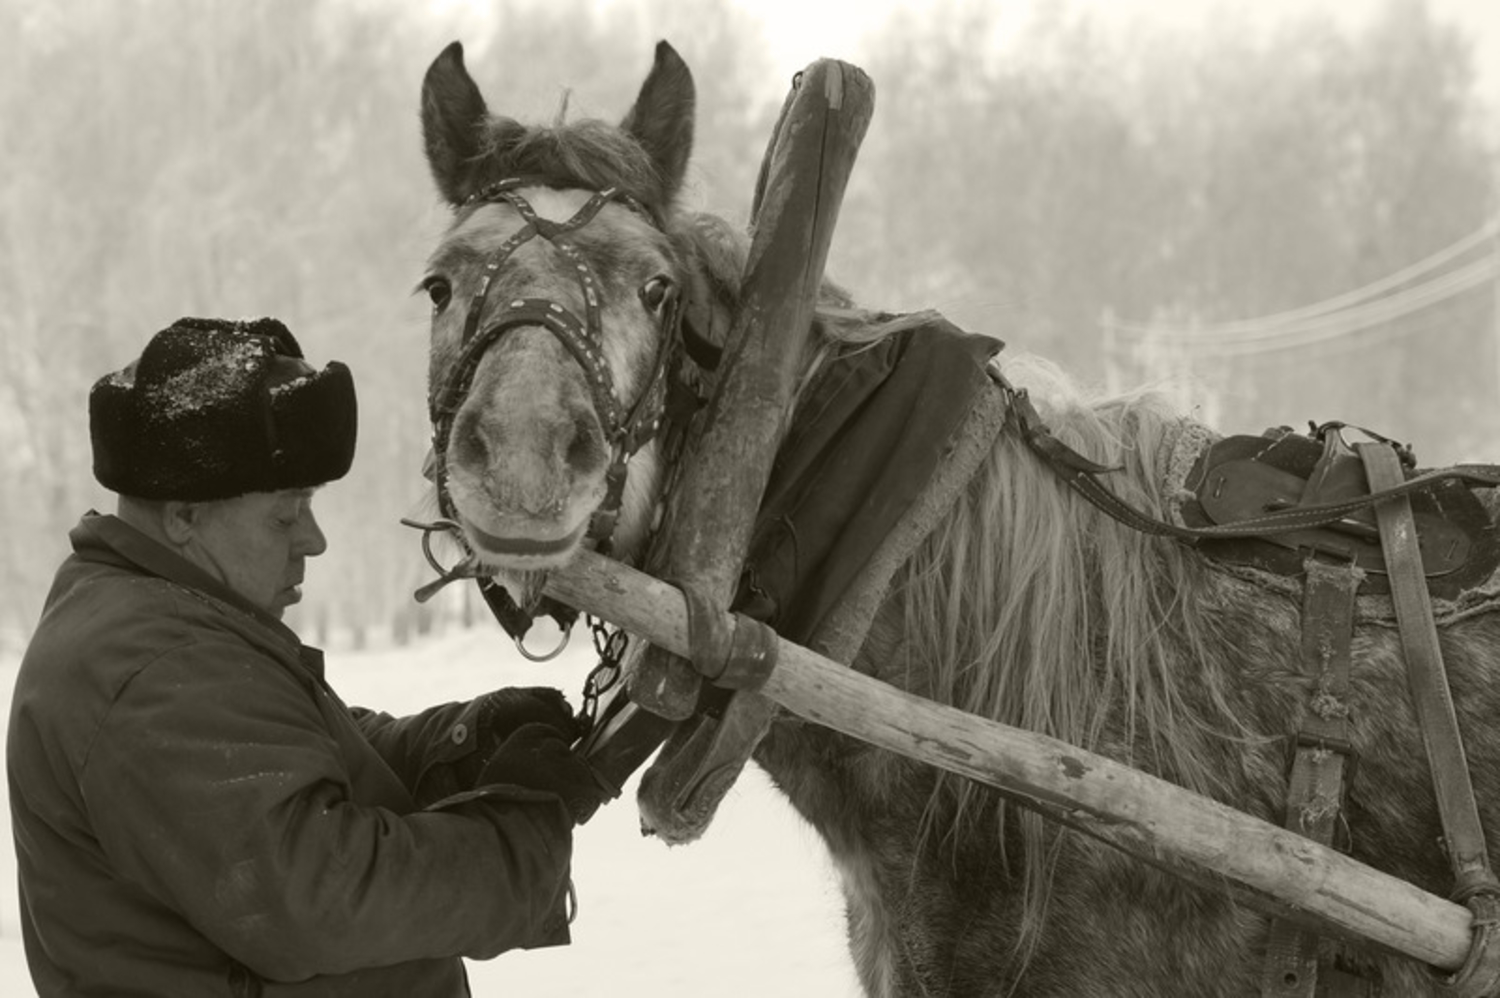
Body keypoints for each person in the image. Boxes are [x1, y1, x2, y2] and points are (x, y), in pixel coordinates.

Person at [6, 316, 613, 997]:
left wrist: (454, 746)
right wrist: (519, 842)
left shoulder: (156, 622)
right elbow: (321, 897)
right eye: (285, 513)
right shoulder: (150, 668)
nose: (314, 539)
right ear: (184, 514)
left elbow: (288, 755)